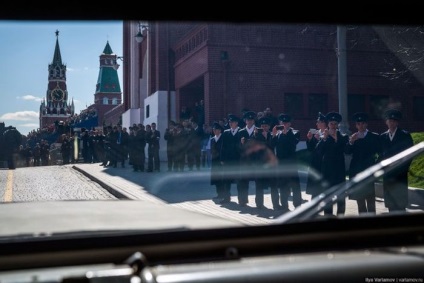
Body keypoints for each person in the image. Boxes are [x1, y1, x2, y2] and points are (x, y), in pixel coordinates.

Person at [345, 112, 381, 214]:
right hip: (356, 171)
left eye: (363, 123)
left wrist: (376, 164)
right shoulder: (353, 137)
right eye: (358, 124)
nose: (361, 126)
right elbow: (347, 152)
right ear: (356, 125)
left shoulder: (374, 136)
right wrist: (351, 141)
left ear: (366, 124)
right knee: (359, 198)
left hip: (369, 170)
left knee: (370, 198)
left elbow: (380, 152)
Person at [379, 109, 414, 212]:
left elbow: (410, 154)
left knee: (400, 202)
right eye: (389, 121)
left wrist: (403, 168)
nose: (391, 123)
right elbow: (381, 154)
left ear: (397, 122)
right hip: (388, 174)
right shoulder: (383, 136)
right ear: (386, 122)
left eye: (394, 121)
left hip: (400, 173)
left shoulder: (404, 135)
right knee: (390, 202)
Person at [271, 114, 302, 211]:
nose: (283, 125)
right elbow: (272, 145)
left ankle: (297, 205)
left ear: (289, 124)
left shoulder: (295, 132)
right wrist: (274, 134)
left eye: (285, 123)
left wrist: (286, 134)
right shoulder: (278, 134)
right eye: (282, 123)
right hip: (280, 163)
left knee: (295, 185)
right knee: (283, 185)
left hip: (291, 163)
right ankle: (284, 205)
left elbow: (293, 145)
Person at [321, 111, 349, 216]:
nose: (333, 126)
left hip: (339, 171)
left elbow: (347, 151)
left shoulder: (343, 137)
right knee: (328, 197)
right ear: (328, 124)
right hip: (327, 171)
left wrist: (337, 139)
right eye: (331, 123)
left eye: (335, 124)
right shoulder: (324, 137)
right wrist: (324, 139)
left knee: (340, 197)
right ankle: (328, 217)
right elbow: (319, 152)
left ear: (338, 125)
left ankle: (340, 216)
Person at [237, 111, 258, 207]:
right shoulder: (241, 132)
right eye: (247, 120)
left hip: (255, 160)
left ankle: (259, 202)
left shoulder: (258, 131)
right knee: (243, 182)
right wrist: (241, 144)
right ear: (245, 121)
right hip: (245, 161)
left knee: (259, 182)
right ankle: (242, 200)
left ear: (254, 121)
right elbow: (236, 148)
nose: (249, 121)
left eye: (251, 120)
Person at [305, 112, 328, 199]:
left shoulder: (328, 134)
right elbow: (310, 149)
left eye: (318, 122)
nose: (316, 124)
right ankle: (314, 208)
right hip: (315, 163)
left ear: (323, 123)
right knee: (314, 188)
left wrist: (320, 140)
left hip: (324, 163)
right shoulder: (316, 134)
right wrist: (310, 139)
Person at [220, 114, 242, 203]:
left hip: (238, 160)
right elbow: (223, 147)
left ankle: (241, 199)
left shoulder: (241, 131)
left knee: (239, 181)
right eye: (229, 122)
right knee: (226, 180)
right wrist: (222, 159)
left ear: (236, 123)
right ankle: (226, 198)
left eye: (232, 122)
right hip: (228, 160)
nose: (230, 123)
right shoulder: (226, 132)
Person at [210, 122, 227, 202]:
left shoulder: (223, 138)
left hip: (221, 161)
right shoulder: (212, 139)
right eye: (214, 130)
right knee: (216, 178)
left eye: (216, 130)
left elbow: (223, 150)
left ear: (220, 130)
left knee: (222, 179)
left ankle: (223, 194)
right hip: (214, 162)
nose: (215, 131)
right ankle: (218, 194)